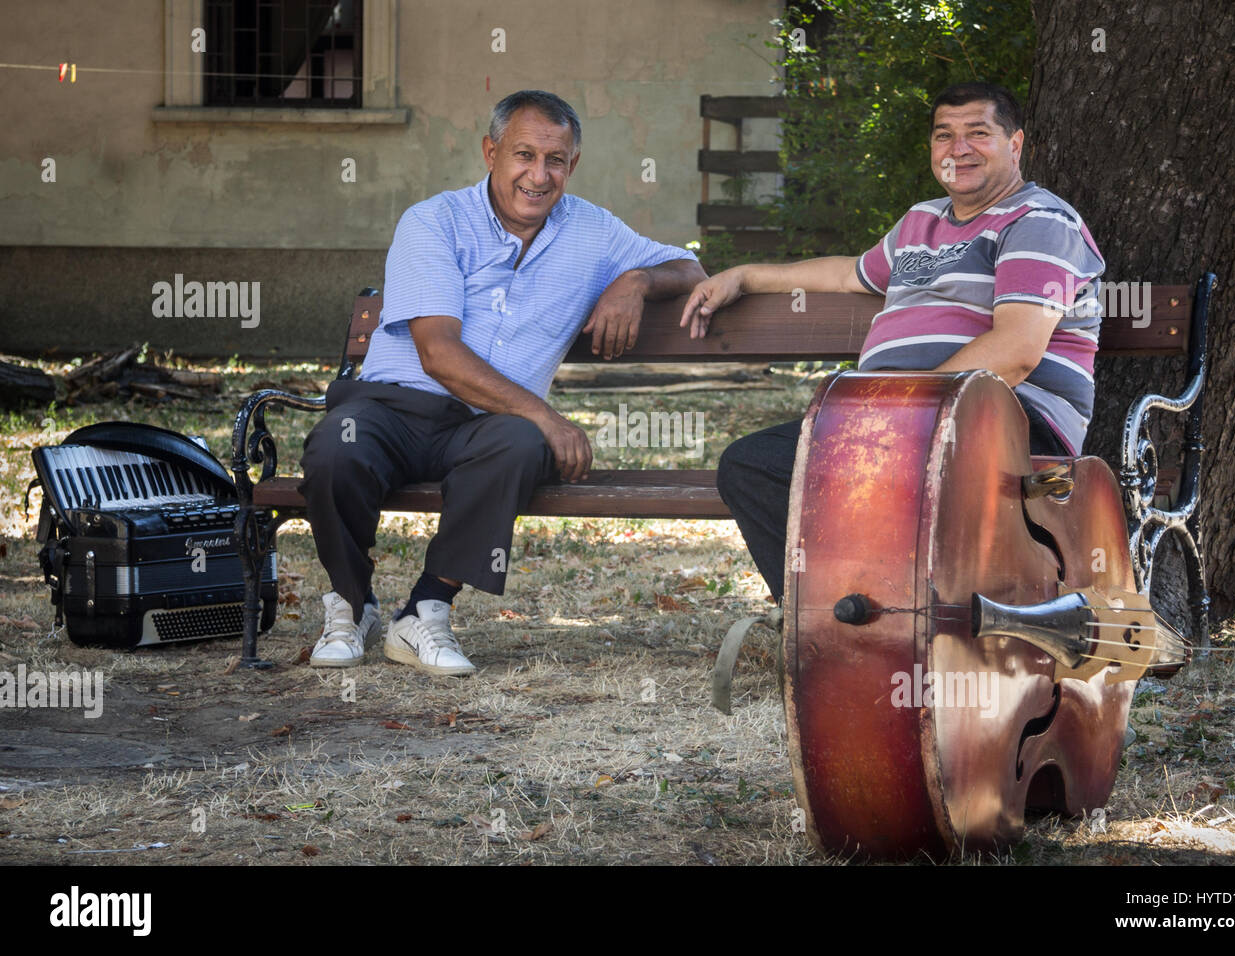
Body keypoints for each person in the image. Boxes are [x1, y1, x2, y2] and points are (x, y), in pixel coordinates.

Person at [301, 90, 706, 674]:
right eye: (523, 155)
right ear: (491, 152)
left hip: (484, 427)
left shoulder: (593, 232)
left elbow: (692, 269)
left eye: (556, 160)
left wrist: (635, 281)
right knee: (338, 448)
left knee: (518, 445)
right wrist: (546, 415)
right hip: (393, 409)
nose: (538, 176)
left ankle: (423, 613)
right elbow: (439, 354)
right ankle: (350, 601)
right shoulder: (434, 221)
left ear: (573, 165)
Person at [679, 82, 1105, 602]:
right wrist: (744, 276)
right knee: (753, 465)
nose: (959, 148)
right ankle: (835, 620)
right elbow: (846, 275)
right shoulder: (920, 224)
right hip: (900, 420)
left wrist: (901, 407)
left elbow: (1015, 351)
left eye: (978, 133)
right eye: (944, 135)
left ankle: (893, 621)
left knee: (876, 469)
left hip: (1007, 423)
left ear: (1015, 145)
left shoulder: (1040, 221)